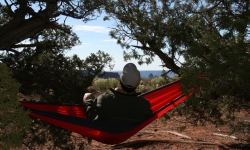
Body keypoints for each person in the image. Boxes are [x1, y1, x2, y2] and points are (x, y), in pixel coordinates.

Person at [83, 63, 152, 125]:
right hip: (128, 131)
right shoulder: (144, 104)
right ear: (138, 83)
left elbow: (91, 110)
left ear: (120, 80)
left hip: (105, 130)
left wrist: (115, 93)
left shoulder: (104, 99)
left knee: (88, 95)